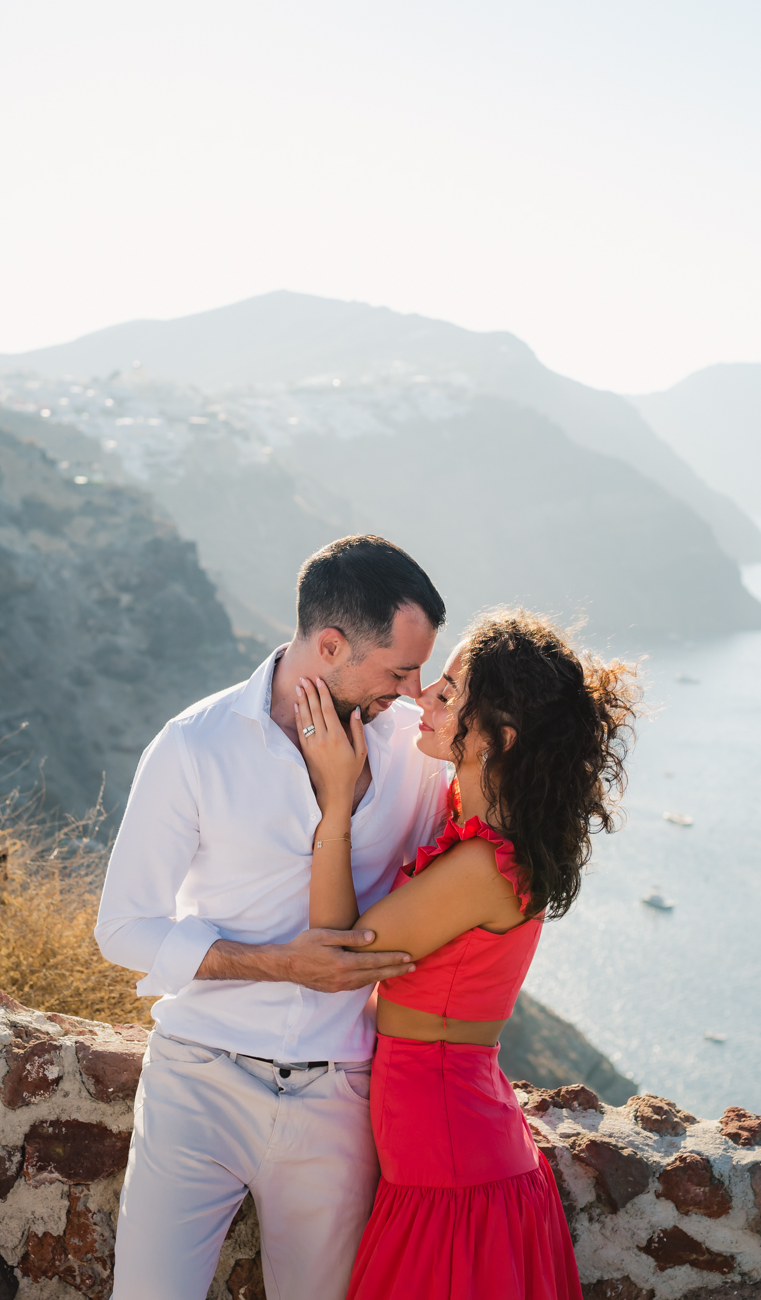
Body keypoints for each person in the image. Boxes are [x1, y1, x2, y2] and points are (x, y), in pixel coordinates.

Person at [95, 535, 452, 1300]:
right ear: (329, 644)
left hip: (342, 1095)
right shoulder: (195, 743)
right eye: (399, 669)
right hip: (198, 1079)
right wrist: (277, 963)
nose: (416, 689)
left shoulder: (414, 756)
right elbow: (123, 927)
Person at [288, 609, 637, 1299]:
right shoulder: (483, 828)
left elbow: (343, 952)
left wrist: (334, 799)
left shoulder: (483, 865)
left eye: (448, 695)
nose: (425, 698)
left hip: (449, 1163)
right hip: (451, 1149)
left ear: (496, 738)